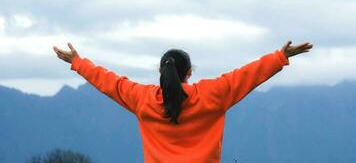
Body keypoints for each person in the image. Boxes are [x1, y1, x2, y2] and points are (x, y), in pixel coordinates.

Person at [53, 40, 313, 163]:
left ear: (160, 72)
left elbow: (109, 82)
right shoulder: (213, 95)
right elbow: (246, 75)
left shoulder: (143, 100)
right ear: (189, 73)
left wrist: (78, 62)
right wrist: (280, 56)